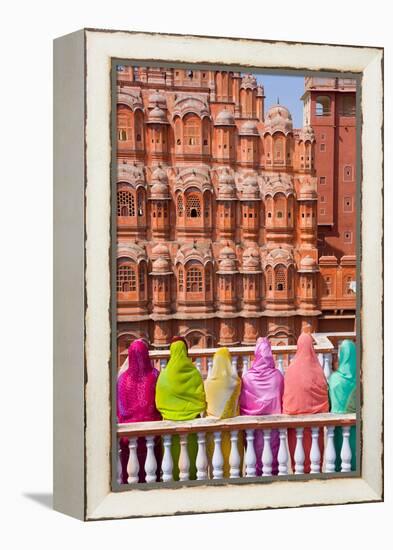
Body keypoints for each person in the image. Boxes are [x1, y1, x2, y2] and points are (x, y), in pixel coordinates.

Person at [155, 339, 206, 480]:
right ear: (186, 352)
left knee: (172, 466)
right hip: (192, 430)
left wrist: (172, 412)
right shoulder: (194, 373)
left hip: (170, 430)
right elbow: (202, 401)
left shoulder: (164, 376)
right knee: (192, 463)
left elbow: (159, 403)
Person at [283, 332, 329, 473]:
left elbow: (287, 399)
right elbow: (324, 398)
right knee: (315, 462)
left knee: (298, 462)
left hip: (295, 424)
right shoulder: (318, 370)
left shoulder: (291, 369)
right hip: (315, 425)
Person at [117, 339, 162, 483]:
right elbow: (160, 404)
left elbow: (120, 410)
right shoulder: (155, 375)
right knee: (152, 475)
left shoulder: (122, 379)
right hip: (152, 435)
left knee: (130, 475)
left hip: (128, 436)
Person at [240, 337, 284, 475]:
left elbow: (242, 403)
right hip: (273, 427)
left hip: (253, 428)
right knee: (273, 455)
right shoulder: (278, 376)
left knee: (254, 455)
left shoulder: (247, 377)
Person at [204, 347, 241, 477]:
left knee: (216, 466)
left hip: (213, 433)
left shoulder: (208, 384)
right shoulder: (236, 383)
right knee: (233, 466)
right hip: (233, 433)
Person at [328, 339, 357, 471]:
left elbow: (328, 403)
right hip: (356, 428)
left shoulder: (334, 379)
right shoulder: (361, 379)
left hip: (337, 427)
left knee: (338, 459)